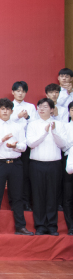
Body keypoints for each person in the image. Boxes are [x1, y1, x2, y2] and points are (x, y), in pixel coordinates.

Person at [0, 98, 34, 236]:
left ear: (12, 111)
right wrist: (2, 140)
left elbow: (24, 146)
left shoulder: (18, 127)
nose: (5, 111)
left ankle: (20, 227)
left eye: (8, 109)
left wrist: (14, 146)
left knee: (17, 196)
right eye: (2, 109)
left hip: (16, 164)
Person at [26, 98, 68, 236]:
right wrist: (44, 132)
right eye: (39, 106)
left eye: (45, 106)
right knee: (38, 195)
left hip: (54, 164)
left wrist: (54, 132)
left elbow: (63, 145)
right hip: (36, 164)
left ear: (52, 109)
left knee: (52, 195)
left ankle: (52, 226)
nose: (41, 109)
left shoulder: (59, 124)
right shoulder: (32, 124)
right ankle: (40, 226)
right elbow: (31, 143)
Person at [10, 81, 36, 211]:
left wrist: (27, 117)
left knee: (26, 175)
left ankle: (26, 202)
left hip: (26, 145)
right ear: (13, 92)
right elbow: (6, 121)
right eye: (18, 91)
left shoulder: (30, 107)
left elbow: (35, 123)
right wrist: (18, 116)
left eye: (23, 91)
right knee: (13, 175)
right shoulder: (9, 106)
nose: (20, 93)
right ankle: (13, 202)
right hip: (11, 144)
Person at [63, 101, 73, 236]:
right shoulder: (65, 127)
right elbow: (64, 145)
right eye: (72, 110)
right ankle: (71, 226)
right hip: (67, 161)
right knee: (68, 196)